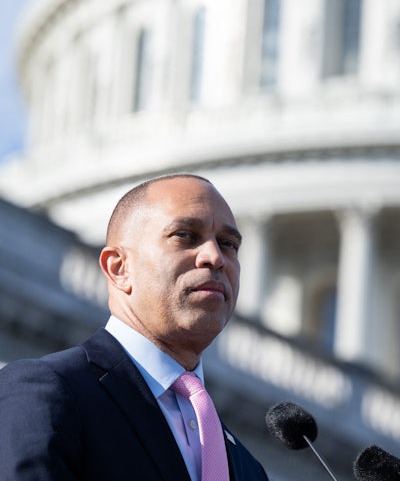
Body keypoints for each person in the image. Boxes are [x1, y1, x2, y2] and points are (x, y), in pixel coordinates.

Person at [0, 174, 269, 481]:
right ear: (119, 268)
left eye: (228, 244)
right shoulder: (50, 392)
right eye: (185, 235)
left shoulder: (247, 467)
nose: (215, 257)